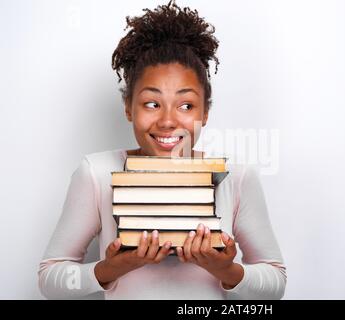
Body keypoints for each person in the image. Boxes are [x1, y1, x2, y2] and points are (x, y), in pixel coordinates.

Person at [38, 1, 286, 299]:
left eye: (186, 105)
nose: (168, 121)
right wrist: (113, 268)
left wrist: (227, 271)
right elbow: (50, 280)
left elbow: (275, 284)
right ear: (129, 107)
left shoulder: (238, 178)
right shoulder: (97, 173)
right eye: (152, 104)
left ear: (205, 112)